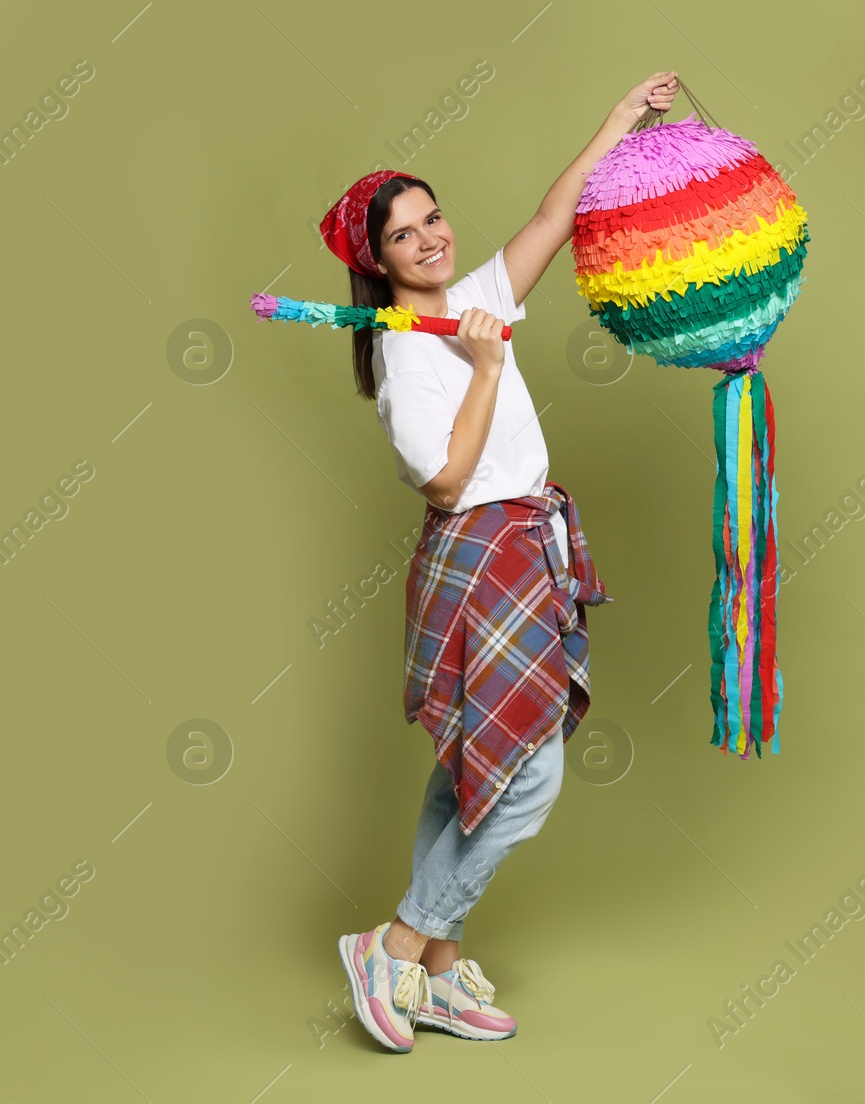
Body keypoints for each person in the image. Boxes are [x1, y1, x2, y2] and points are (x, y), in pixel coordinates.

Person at [322, 71, 679, 1054]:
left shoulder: (474, 295)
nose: (431, 238)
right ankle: (395, 944)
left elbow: (552, 213)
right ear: (377, 259)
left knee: (476, 764)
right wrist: (484, 366)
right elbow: (443, 482)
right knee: (525, 778)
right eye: (405, 233)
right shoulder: (400, 357)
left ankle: (434, 970)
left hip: (527, 545)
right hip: (480, 553)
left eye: (433, 218)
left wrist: (619, 116)